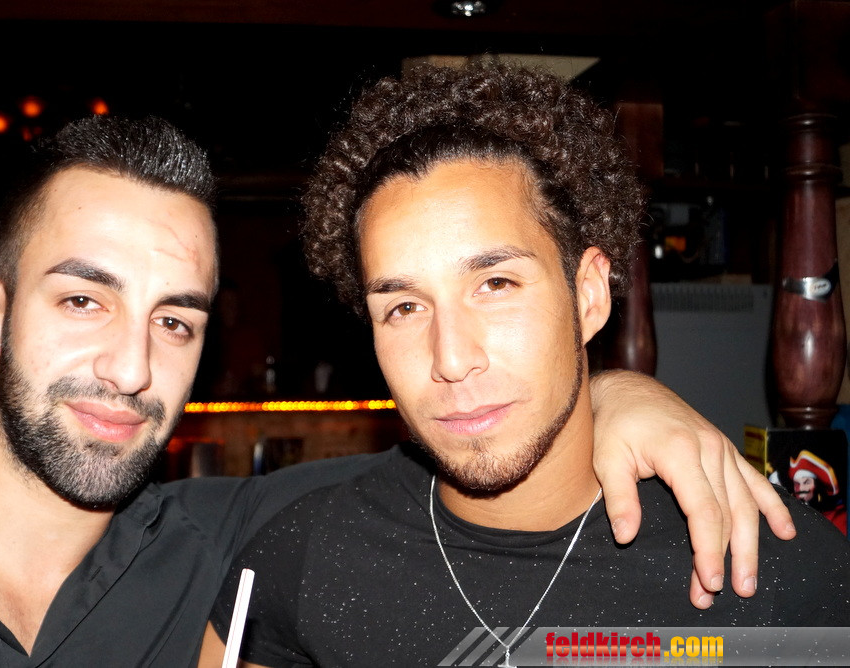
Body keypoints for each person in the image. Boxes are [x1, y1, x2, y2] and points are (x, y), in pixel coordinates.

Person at [0, 113, 792, 668]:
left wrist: (616, 390)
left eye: (174, 321)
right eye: (84, 300)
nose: (131, 370)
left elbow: (480, 447)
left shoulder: (234, 544)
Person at [200, 62, 849, 667]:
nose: (452, 359)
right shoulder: (302, 561)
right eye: (404, 307)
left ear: (588, 295)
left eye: (496, 284)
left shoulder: (782, 576)